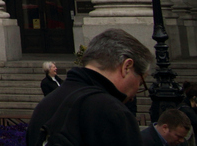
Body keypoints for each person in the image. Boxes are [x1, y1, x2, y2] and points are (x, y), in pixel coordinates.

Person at [26, 28, 154, 146]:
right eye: (141, 82)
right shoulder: (113, 112)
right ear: (127, 67)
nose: (135, 94)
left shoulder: (44, 106)